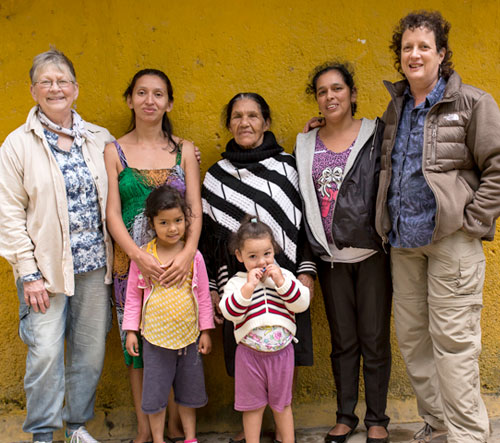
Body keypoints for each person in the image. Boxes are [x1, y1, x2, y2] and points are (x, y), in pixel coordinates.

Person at [375, 10, 500, 443]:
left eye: (424, 46)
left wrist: (473, 222)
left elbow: (497, 166)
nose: (414, 54)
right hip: (405, 244)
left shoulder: (474, 103)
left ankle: (468, 435)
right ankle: (438, 423)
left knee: (455, 345)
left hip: (451, 242)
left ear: (441, 53)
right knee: (413, 340)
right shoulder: (395, 108)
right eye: (407, 47)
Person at [0, 49, 113, 443]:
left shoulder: (99, 138)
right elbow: (8, 213)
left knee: (89, 352)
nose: (55, 88)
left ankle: (77, 428)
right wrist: (27, 274)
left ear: (76, 89)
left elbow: (129, 182)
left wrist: (183, 153)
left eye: (62, 80)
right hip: (44, 272)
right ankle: (43, 436)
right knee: (45, 353)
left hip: (96, 267)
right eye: (45, 81)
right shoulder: (17, 145)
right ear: (33, 91)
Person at [201, 92, 316, 443]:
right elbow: (212, 242)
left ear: (266, 123)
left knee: (284, 357)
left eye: (253, 116)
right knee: (246, 357)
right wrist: (215, 289)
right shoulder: (215, 177)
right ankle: (251, 428)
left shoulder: (287, 168)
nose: (244, 123)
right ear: (228, 124)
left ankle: (282, 430)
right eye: (237, 116)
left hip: (286, 282)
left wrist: (307, 273)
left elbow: (305, 225)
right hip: (239, 285)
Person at [104, 68, 202, 443]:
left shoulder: (184, 151)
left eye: (158, 94)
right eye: (141, 93)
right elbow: (112, 213)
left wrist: (188, 254)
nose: (149, 100)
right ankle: (146, 430)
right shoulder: (114, 150)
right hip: (132, 268)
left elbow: (194, 208)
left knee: (177, 344)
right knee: (139, 349)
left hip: (179, 267)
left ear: (169, 102)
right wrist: (136, 256)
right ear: (129, 99)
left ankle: (177, 425)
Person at [296, 62, 391, 443]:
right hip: (330, 260)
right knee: (343, 341)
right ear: (316, 100)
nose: (330, 96)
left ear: (352, 93)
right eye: (322, 91)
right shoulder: (305, 143)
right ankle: (345, 414)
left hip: (371, 255)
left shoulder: (376, 134)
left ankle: (377, 418)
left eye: (337, 89)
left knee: (375, 338)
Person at [122, 184, 214, 443]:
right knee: (155, 393)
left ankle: (190, 437)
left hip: (189, 338)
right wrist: (131, 331)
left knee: (188, 392)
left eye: (178, 221)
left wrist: (205, 331)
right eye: (164, 222)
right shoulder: (144, 258)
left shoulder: (192, 257)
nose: (172, 228)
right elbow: (133, 297)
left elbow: (204, 296)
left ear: (186, 219)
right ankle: (159, 439)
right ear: (152, 223)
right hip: (154, 339)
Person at [220, 217, 310, 443]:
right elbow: (230, 312)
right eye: (253, 256)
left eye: (267, 254)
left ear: (274, 250)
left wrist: (281, 282)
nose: (261, 262)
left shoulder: (285, 277)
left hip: (282, 354)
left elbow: (301, 303)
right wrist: (248, 287)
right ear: (239, 256)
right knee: (252, 407)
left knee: (282, 405)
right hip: (249, 356)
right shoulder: (236, 283)